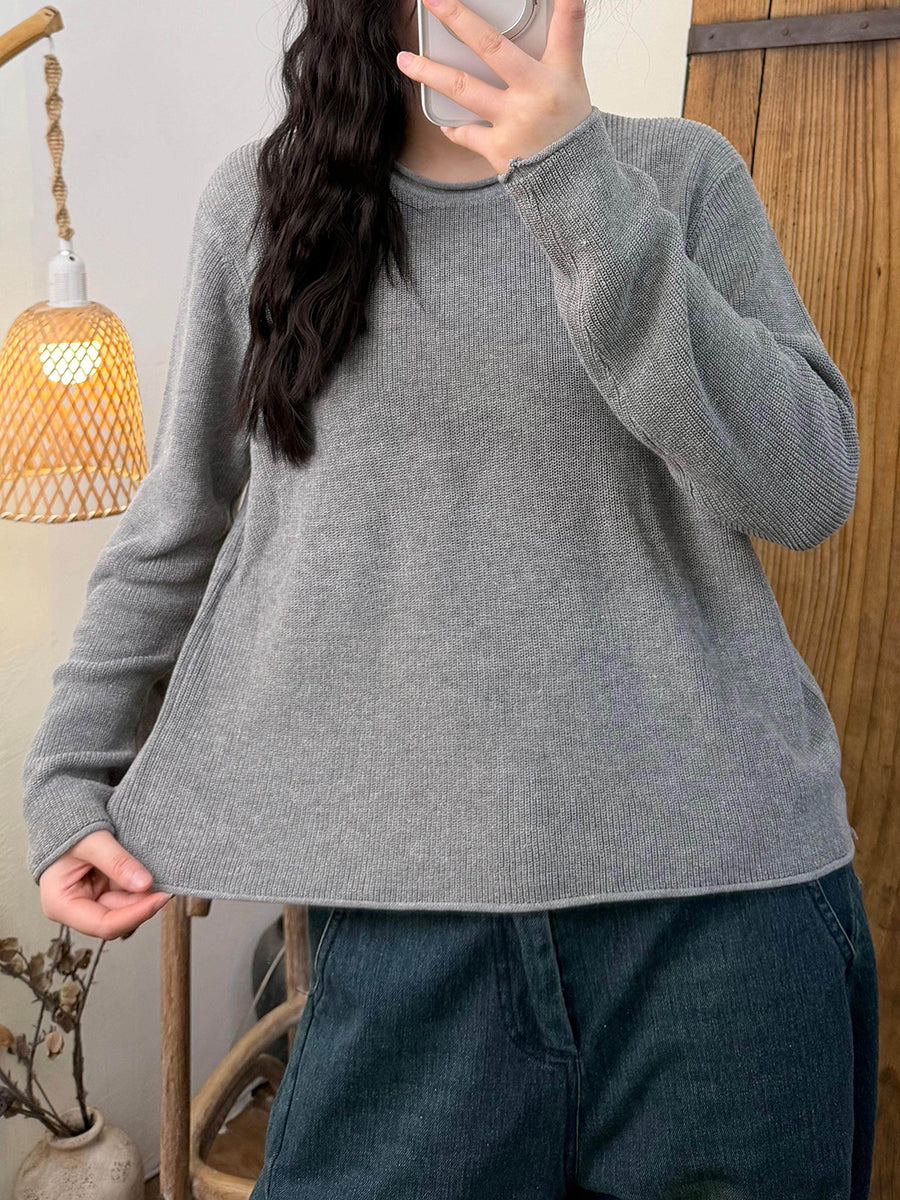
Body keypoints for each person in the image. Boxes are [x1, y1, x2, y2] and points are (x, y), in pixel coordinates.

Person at [22, 0, 878, 1195]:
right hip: (405, 934)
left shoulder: (679, 176)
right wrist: (70, 774)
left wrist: (577, 183)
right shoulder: (261, 210)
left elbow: (808, 486)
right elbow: (181, 526)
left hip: (725, 923)